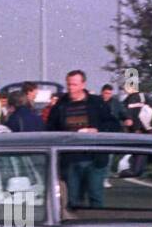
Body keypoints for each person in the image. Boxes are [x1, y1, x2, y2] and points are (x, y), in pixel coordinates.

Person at [46, 69, 120, 208]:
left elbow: (113, 124)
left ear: (83, 85)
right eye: (68, 85)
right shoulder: (61, 104)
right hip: (71, 159)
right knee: (72, 199)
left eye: (74, 85)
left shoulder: (96, 102)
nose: (70, 88)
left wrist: (97, 130)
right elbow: (50, 127)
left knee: (95, 197)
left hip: (94, 158)